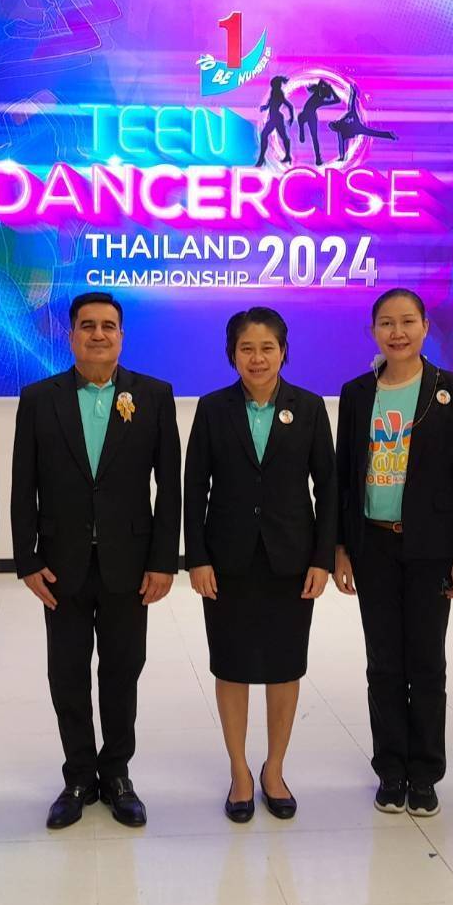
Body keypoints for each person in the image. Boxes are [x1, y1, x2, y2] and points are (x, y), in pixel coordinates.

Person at [12, 292, 181, 829]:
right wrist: (25, 559)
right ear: (71, 336)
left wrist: (164, 560)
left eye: (109, 326)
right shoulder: (40, 398)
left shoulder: (153, 395)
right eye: (88, 326)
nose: (99, 334)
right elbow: (23, 483)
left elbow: (170, 485)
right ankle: (79, 775)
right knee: (66, 671)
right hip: (60, 565)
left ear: (122, 336)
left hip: (129, 563)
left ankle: (118, 773)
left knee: (122, 670)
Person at [334, 288, 453, 818]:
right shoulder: (356, 393)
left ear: (425, 327)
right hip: (372, 544)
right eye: (386, 323)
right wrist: (341, 547)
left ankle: (425, 773)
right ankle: (390, 770)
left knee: (426, 661)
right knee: (383, 663)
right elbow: (343, 477)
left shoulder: (452, 391)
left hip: (430, 548)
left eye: (407, 322)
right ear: (373, 330)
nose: (397, 332)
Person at [184, 307, 335, 823]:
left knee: (284, 666)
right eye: (246, 348)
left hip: (290, 560)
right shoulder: (213, 408)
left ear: (283, 352)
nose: (257, 358)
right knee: (231, 666)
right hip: (227, 562)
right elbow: (194, 488)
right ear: (232, 354)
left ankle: (274, 768)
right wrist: (197, 557)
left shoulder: (309, 408)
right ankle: (239, 771)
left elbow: (328, 487)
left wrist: (322, 558)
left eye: (267, 348)